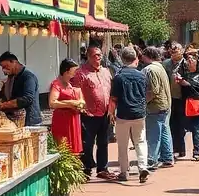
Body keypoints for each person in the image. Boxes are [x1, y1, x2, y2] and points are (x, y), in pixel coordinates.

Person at [72, 45, 116, 180]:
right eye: (95, 55)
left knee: (103, 142)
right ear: (88, 57)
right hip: (88, 114)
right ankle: (86, 169)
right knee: (87, 143)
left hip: (105, 113)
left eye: (99, 55)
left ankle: (102, 169)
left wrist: (112, 110)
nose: (98, 57)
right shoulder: (81, 73)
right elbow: (75, 92)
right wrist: (81, 107)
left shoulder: (106, 71)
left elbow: (111, 92)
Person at [110, 46, 150, 183]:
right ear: (135, 59)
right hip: (139, 113)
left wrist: (111, 113)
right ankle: (143, 167)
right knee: (140, 141)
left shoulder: (119, 77)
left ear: (122, 59)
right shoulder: (142, 75)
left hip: (123, 114)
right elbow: (146, 93)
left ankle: (124, 171)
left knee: (123, 144)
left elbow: (113, 98)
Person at [175, 47, 199, 162]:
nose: (189, 61)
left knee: (196, 129)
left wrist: (188, 85)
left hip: (196, 105)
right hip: (183, 104)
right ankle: (181, 150)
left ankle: (196, 152)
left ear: (197, 62)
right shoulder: (184, 74)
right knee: (181, 128)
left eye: (192, 59)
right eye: (188, 59)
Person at [143, 46, 174, 169]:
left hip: (155, 106)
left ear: (147, 56)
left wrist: (143, 102)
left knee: (153, 135)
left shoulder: (150, 69)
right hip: (165, 104)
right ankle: (167, 158)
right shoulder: (160, 67)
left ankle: (152, 160)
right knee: (165, 132)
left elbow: (153, 90)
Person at [0, 52, 41, 128]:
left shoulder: (28, 77)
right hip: (15, 120)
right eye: (2, 67)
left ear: (14, 62)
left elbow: (27, 99)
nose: (4, 69)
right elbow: (8, 95)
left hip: (30, 121)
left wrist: (4, 105)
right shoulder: (11, 78)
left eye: (6, 66)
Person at [49, 59, 84, 153]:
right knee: (64, 147)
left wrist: (80, 105)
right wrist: (71, 103)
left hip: (73, 118)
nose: (75, 74)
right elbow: (52, 103)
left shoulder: (70, 84)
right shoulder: (56, 84)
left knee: (74, 148)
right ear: (66, 71)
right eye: (74, 71)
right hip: (63, 120)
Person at [163, 42, 185, 160]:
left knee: (181, 125)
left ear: (182, 51)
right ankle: (174, 148)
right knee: (171, 124)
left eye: (176, 51)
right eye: (172, 51)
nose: (173, 53)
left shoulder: (186, 63)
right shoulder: (166, 64)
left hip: (182, 98)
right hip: (170, 98)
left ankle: (181, 148)